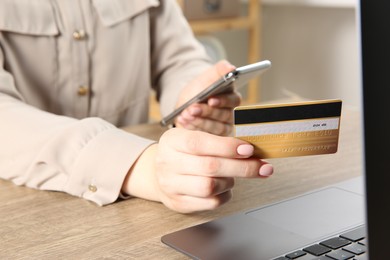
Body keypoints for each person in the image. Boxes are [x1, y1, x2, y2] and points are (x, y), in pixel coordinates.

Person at [0, 0, 273, 213]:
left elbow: (178, 59)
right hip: (23, 207)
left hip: (138, 206)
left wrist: (190, 101)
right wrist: (138, 165)